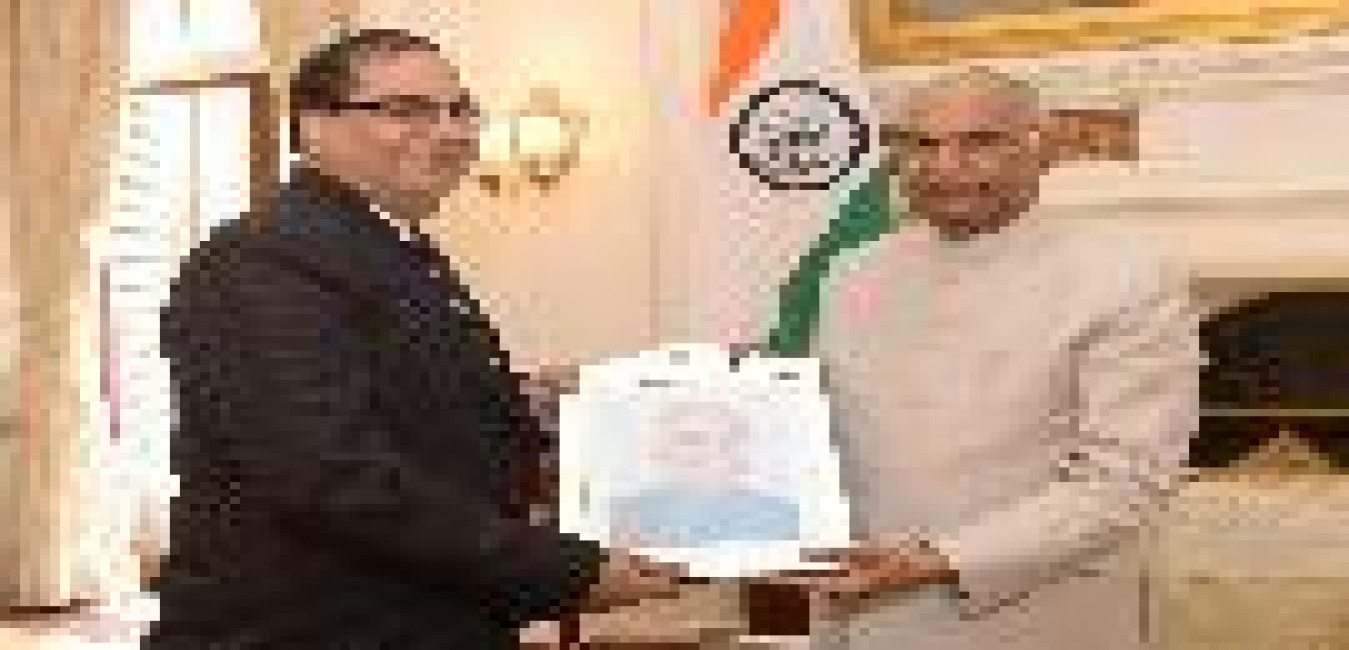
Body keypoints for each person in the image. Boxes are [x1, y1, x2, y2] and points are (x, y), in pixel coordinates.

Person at [146, 29, 682, 649]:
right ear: (314, 127)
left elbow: (412, 407)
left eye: (460, 110)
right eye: (407, 110)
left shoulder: (391, 248)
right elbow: (335, 478)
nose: (448, 131)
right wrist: (567, 570)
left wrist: (550, 403)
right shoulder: (261, 260)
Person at [790, 68, 1203, 650]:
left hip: (1035, 616)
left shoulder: (1121, 276)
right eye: (922, 145)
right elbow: (818, 431)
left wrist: (935, 560)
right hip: (861, 612)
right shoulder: (851, 273)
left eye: (979, 142)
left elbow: (1124, 483)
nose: (945, 166)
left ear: (1042, 150)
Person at [610, 402, 800, 548]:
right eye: (692, 441)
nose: (711, 452)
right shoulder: (628, 514)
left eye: (726, 442)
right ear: (661, 451)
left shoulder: (781, 518)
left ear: (741, 453)